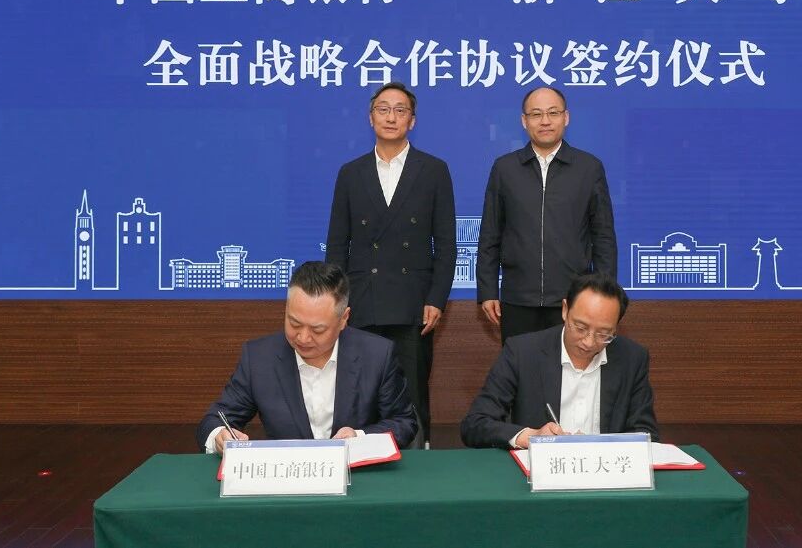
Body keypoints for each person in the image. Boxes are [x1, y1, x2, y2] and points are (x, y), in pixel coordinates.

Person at [325, 82, 456, 447]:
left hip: (413, 302)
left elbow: (446, 244)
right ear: (371, 118)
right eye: (383, 109)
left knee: (412, 388)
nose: (391, 117)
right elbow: (337, 244)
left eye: (400, 110)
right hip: (360, 300)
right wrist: (337, 302)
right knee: (361, 387)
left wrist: (436, 299)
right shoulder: (351, 173)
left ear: (412, 121)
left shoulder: (433, 170)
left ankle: (418, 457)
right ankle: (359, 452)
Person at [196, 261, 417, 452]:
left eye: (317, 329)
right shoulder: (259, 358)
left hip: (357, 478)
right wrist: (219, 436)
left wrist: (359, 438)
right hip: (286, 481)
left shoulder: (377, 355)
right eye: (294, 323)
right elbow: (214, 420)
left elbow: (404, 422)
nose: (302, 337)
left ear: (344, 319)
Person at [477, 86, 617, 341]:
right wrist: (487, 291)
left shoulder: (588, 168)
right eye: (536, 114)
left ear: (566, 117)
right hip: (517, 298)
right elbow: (490, 234)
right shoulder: (505, 168)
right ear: (524, 120)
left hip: (573, 299)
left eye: (553, 113)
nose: (545, 121)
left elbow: (603, 236)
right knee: (520, 365)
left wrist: (604, 294)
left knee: (571, 365)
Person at [460, 273, 659, 449]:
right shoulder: (522, 352)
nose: (589, 342)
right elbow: (475, 424)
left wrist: (603, 447)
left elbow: (646, 434)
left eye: (604, 334)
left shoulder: (632, 358)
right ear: (565, 310)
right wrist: (530, 437)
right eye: (580, 328)